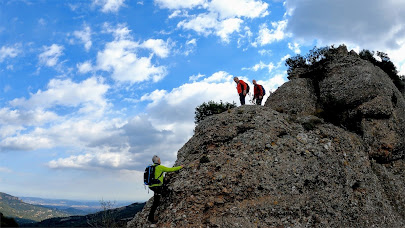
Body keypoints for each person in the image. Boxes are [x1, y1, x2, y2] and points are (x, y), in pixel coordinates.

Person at [148, 155, 183, 224]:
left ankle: (150, 217)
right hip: (157, 186)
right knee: (156, 202)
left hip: (152, 186)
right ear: (158, 161)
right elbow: (171, 170)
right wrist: (180, 167)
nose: (160, 161)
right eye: (160, 160)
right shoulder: (160, 167)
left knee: (157, 197)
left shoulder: (151, 167)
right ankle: (151, 218)